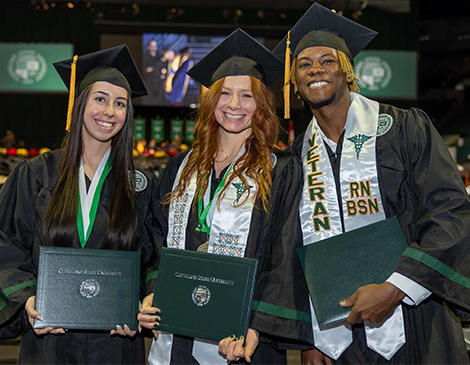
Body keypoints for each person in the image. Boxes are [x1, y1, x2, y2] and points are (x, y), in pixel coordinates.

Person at [273, 3, 470, 364]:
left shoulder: (406, 129)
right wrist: (313, 340)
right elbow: (295, 253)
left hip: (415, 323)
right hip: (338, 341)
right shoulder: (294, 160)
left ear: (348, 71)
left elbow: (451, 213)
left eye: (327, 60)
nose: (315, 69)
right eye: (304, 64)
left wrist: (395, 288)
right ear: (294, 83)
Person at [138, 28, 312, 364]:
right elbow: (157, 240)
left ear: (261, 105)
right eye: (225, 94)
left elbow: (286, 254)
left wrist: (257, 325)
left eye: (247, 96)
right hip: (177, 335)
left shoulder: (282, 170)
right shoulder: (181, 167)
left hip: (242, 338)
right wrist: (153, 293)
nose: (235, 105)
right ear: (210, 100)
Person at [0, 45, 158, 364]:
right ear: (79, 102)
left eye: (120, 103)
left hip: (115, 345)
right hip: (48, 344)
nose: (109, 111)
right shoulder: (36, 174)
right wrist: (26, 300)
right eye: (100, 99)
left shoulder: (139, 185)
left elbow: (154, 255)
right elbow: (7, 244)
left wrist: (145, 300)